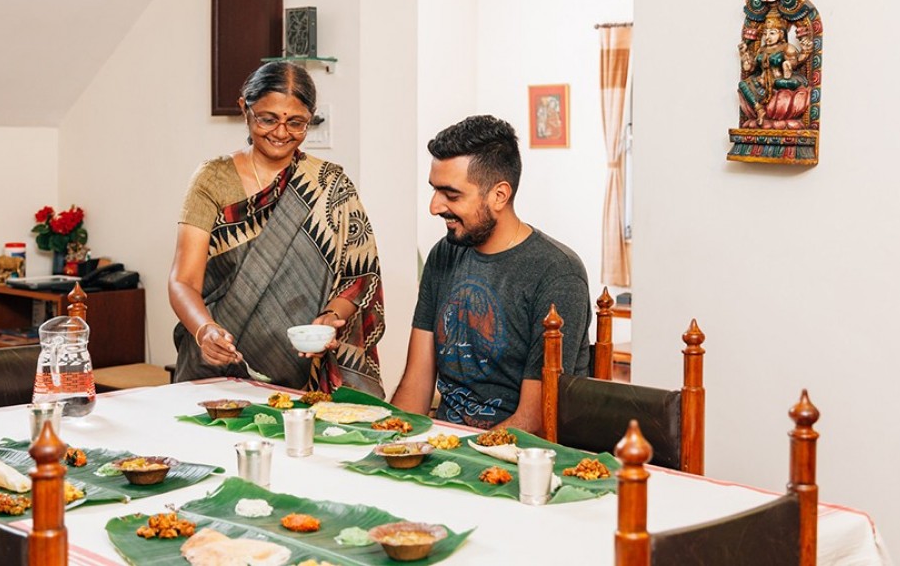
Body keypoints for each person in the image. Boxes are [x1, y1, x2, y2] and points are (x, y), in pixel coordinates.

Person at [168, 62, 384, 396]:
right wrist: (204, 330)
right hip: (218, 361)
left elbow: (360, 276)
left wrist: (331, 316)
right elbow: (183, 280)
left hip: (305, 372)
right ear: (245, 109)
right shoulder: (211, 179)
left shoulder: (331, 184)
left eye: (296, 122)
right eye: (268, 119)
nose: (281, 133)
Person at [390, 115, 591, 433]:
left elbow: (533, 422)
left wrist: (455, 453)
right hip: (443, 446)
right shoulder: (444, 254)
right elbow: (416, 383)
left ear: (499, 195)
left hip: (511, 459)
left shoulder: (557, 274)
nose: (434, 206)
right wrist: (385, 441)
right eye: (434, 191)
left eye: (451, 195)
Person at [738, 8, 811, 129]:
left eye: (772, 33)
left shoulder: (786, 47)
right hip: (762, 81)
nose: (767, 37)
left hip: (778, 80)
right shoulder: (761, 50)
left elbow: (796, 61)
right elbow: (751, 68)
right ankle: (759, 109)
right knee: (743, 85)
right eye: (765, 33)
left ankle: (774, 109)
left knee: (793, 87)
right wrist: (745, 55)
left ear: (781, 34)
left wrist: (790, 63)